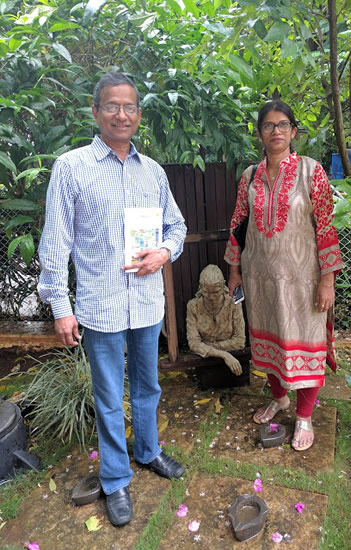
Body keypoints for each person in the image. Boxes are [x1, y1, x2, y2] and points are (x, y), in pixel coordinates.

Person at [38, 72, 187, 526]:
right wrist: (61, 307)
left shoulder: (153, 171)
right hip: (100, 306)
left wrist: (163, 252)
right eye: (112, 106)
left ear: (139, 114)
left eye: (129, 107)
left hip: (146, 303)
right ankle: (116, 478)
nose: (121, 115)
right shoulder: (72, 168)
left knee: (148, 386)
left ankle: (148, 451)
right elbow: (55, 242)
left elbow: (176, 226)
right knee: (107, 397)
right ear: (96, 111)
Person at [225, 100, 343, 452]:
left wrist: (327, 281)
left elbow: (326, 227)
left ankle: (304, 416)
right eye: (268, 125)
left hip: (304, 281)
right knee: (269, 341)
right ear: (260, 133)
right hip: (260, 279)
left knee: (306, 343)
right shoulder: (249, 176)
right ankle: (279, 399)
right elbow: (238, 226)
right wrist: (235, 270)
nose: (275, 131)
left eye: (282, 125)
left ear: (293, 131)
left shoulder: (311, 171)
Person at [186, 264, 246, 375]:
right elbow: (194, 343)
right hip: (206, 364)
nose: (211, 297)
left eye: (216, 292)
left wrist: (206, 347)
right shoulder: (193, 306)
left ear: (223, 287)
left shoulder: (233, 303)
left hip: (235, 360)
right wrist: (224, 355)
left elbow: (240, 341)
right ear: (200, 288)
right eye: (206, 292)